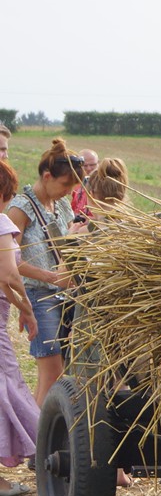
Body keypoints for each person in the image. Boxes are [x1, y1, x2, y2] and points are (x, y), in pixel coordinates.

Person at [4, 138, 85, 405]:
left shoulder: (60, 204)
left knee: (62, 375)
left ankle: (42, 436)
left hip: (64, 296)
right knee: (52, 376)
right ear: (47, 176)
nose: (68, 191)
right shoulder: (21, 207)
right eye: (65, 185)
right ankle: (41, 440)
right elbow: (8, 259)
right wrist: (49, 276)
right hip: (40, 297)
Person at [0, 159, 41, 496]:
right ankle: (43, 445)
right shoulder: (0, 223)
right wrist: (27, 310)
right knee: (7, 387)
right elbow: (10, 276)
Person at [69, 148, 99, 218]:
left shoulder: (104, 187)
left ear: (98, 164)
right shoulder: (76, 186)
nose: (89, 169)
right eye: (85, 166)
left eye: (92, 165)